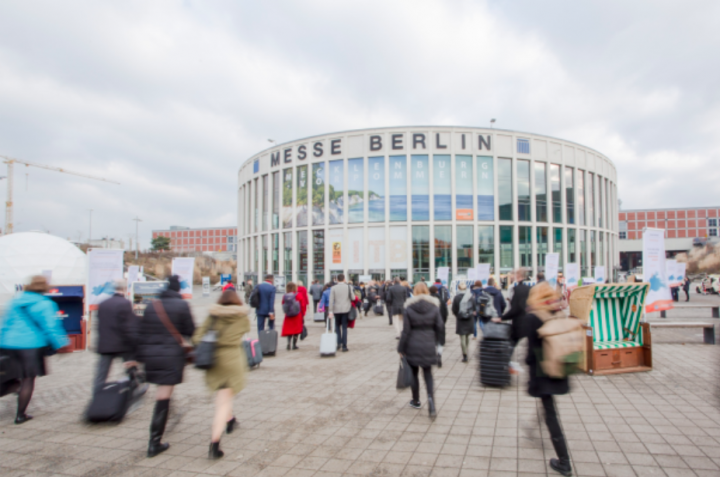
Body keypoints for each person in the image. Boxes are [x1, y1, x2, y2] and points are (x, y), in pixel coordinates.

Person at [137, 276, 196, 458]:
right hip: (171, 357)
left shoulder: (151, 305)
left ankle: (168, 418)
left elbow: (141, 332)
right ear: (178, 290)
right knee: (163, 395)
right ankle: (154, 442)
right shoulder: (182, 306)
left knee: (163, 392)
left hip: (151, 356)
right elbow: (191, 330)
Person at [0, 276, 68, 424]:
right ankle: (20, 415)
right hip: (31, 346)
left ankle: (14, 388)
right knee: (28, 379)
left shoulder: (14, 301)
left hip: (8, 344)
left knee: (8, 375)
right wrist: (61, 344)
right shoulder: (45, 304)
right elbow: (51, 327)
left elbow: (4, 324)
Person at [192, 289, 250, 459]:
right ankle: (214, 443)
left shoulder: (213, 316)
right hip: (233, 361)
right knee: (224, 401)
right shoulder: (242, 318)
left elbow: (196, 338)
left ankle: (230, 420)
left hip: (215, 361)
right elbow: (244, 331)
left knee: (223, 396)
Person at [524, 282, 572, 476]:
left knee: (550, 414)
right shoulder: (557, 313)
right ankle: (532, 427)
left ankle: (564, 462)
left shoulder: (533, 317)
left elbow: (530, 352)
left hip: (543, 373)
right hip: (560, 368)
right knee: (548, 407)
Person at [398, 283, 444, 418]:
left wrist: (401, 348)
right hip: (428, 344)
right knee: (428, 374)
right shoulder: (435, 307)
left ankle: (416, 400)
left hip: (412, 344)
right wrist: (437, 342)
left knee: (414, 374)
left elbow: (405, 331)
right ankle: (431, 401)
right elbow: (440, 326)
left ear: (415, 292)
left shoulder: (409, 307)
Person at [94, 279, 138, 394]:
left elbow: (99, 325)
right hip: (122, 344)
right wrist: (135, 344)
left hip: (105, 344)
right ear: (124, 289)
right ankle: (133, 388)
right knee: (130, 367)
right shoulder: (125, 303)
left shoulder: (103, 304)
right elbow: (129, 327)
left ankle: (96, 394)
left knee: (101, 374)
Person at [502, 268, 532, 347]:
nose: (513, 276)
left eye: (514, 274)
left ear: (518, 275)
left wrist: (502, 318)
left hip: (518, 324)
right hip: (528, 322)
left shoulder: (517, 289)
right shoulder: (528, 288)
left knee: (510, 347)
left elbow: (515, 309)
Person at [328, 274, 355, 352]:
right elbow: (353, 298)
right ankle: (344, 346)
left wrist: (330, 311)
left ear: (337, 280)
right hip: (346, 309)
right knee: (344, 327)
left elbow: (331, 300)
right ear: (344, 279)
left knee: (337, 326)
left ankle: (338, 343)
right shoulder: (348, 287)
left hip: (336, 310)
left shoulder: (333, 288)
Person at [451, 281, 475, 362]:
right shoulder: (470, 296)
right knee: (467, 336)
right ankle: (466, 351)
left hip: (460, 319)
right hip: (469, 319)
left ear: (458, 288)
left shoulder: (456, 297)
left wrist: (457, 315)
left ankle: (464, 355)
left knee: (462, 337)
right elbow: (474, 308)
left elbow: (454, 309)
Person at [281, 282, 304, 350]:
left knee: (289, 329)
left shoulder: (285, 296)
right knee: (296, 330)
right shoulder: (298, 295)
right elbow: (302, 305)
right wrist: (303, 314)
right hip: (297, 315)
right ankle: (294, 345)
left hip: (288, 315)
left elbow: (283, 304)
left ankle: (288, 343)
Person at [429, 285, 447, 368]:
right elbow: (445, 312)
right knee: (440, 341)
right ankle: (439, 355)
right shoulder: (441, 300)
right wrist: (443, 321)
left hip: (430, 323)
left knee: (431, 340)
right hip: (440, 323)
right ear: (437, 291)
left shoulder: (428, 300)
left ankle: (432, 356)